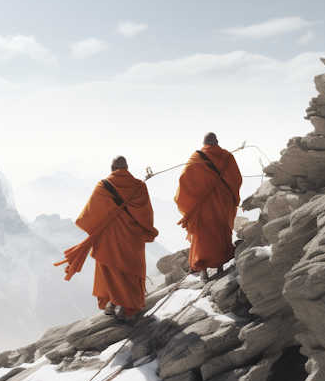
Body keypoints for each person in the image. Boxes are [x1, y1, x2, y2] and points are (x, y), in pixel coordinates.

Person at [56, 156, 158, 321]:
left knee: (112, 271)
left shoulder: (102, 186)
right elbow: (147, 216)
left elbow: (89, 216)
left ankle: (112, 303)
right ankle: (127, 306)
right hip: (132, 239)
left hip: (109, 240)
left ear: (112, 169)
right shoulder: (140, 186)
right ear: (126, 168)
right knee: (130, 270)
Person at [174, 133, 242, 281]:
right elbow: (237, 178)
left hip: (204, 206)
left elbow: (184, 180)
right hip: (223, 203)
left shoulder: (196, 158)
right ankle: (220, 267)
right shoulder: (227, 157)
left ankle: (204, 272)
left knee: (203, 237)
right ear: (217, 142)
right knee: (221, 232)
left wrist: (192, 200)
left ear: (204, 144)